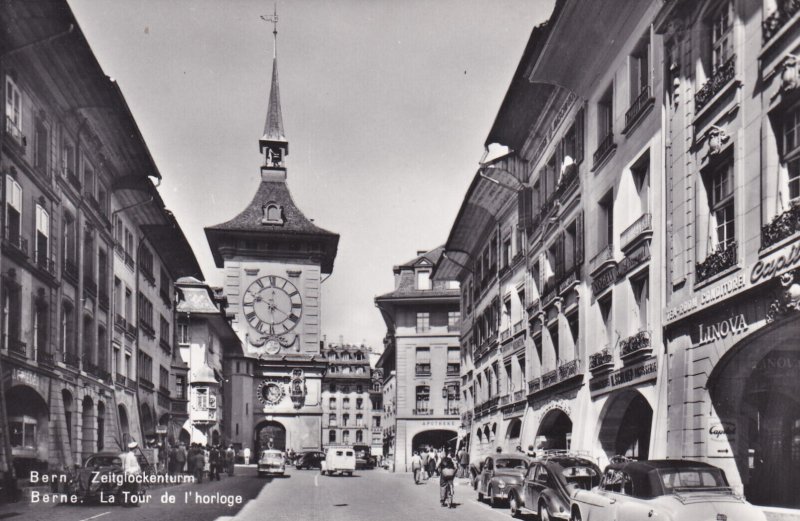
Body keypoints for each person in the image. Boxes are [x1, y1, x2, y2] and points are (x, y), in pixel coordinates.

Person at [120, 441, 142, 507]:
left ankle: (134, 502)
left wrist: (138, 470)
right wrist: (135, 470)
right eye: (136, 449)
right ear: (134, 449)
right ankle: (126, 503)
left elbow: (136, 465)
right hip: (130, 475)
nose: (137, 450)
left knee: (135, 489)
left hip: (135, 475)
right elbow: (127, 467)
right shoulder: (129, 456)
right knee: (129, 489)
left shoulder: (133, 456)